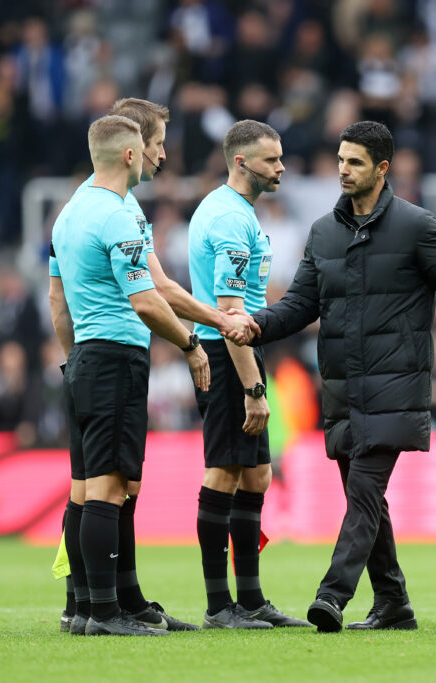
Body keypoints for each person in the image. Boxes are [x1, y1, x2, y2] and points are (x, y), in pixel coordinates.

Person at [248, 120, 436, 632]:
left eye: (355, 162)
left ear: (382, 169)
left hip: (395, 386)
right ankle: (394, 603)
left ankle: (331, 596)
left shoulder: (417, 226)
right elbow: (299, 305)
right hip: (341, 389)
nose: (343, 170)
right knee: (367, 501)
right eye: (340, 160)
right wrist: (256, 325)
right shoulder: (323, 232)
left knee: (362, 493)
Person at [56, 98, 256, 635]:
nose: (162, 155)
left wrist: (70, 357)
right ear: (131, 148)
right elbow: (151, 297)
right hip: (115, 355)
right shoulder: (118, 213)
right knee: (108, 487)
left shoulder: (70, 209)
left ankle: (98, 604)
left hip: (83, 357)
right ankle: (103, 612)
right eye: (158, 143)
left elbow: (58, 298)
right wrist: (195, 341)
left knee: (90, 486)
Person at [188, 119, 310, 630]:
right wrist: (253, 389)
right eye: (271, 160)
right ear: (241, 162)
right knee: (223, 472)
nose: (281, 167)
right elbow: (233, 313)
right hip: (226, 352)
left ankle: (252, 599)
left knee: (257, 474)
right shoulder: (230, 221)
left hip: (238, 350)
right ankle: (220, 606)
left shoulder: (236, 212)